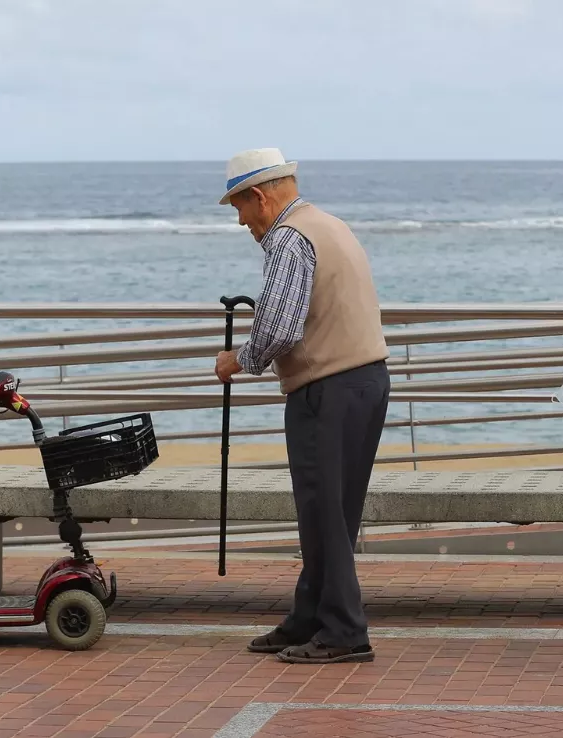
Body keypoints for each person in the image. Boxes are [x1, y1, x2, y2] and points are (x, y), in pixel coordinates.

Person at [214, 147, 391, 664]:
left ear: (260, 196)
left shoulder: (289, 239)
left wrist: (237, 360)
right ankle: (310, 615)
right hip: (365, 380)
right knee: (335, 511)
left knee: (323, 515)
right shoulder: (328, 224)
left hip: (327, 388)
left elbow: (280, 329)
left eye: (239, 208)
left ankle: (344, 631)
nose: (242, 221)